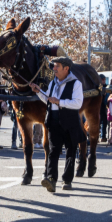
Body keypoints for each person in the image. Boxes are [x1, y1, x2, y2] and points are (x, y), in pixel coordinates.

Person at [30, 56, 83, 192]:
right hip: (53, 120)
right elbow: (48, 99)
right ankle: (51, 180)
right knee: (53, 151)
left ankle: (67, 180)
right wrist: (39, 92)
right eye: (53, 66)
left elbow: (77, 103)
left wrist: (60, 102)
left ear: (66, 68)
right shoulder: (53, 83)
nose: (54, 69)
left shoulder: (76, 83)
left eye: (57, 66)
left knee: (70, 151)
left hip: (69, 122)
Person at [99, 74, 109, 141]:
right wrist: (103, 93)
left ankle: (103, 136)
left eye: (104, 79)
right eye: (102, 79)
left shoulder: (107, 86)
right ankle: (96, 136)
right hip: (99, 107)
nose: (104, 80)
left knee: (104, 122)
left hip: (105, 106)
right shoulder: (98, 86)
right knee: (98, 122)